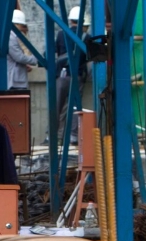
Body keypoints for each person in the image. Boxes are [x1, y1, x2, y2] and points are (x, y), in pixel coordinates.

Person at [55, 7, 89, 143]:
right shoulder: (86, 37)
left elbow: (57, 53)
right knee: (75, 106)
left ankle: (54, 135)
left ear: (70, 20)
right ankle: (73, 136)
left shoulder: (60, 35)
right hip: (77, 76)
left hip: (62, 76)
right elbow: (88, 56)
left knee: (57, 106)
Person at [7, 9, 37, 90]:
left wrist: (25, 65)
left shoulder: (13, 36)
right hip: (14, 82)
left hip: (17, 80)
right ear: (16, 24)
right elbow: (19, 57)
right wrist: (35, 59)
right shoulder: (10, 37)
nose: (24, 29)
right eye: (22, 25)